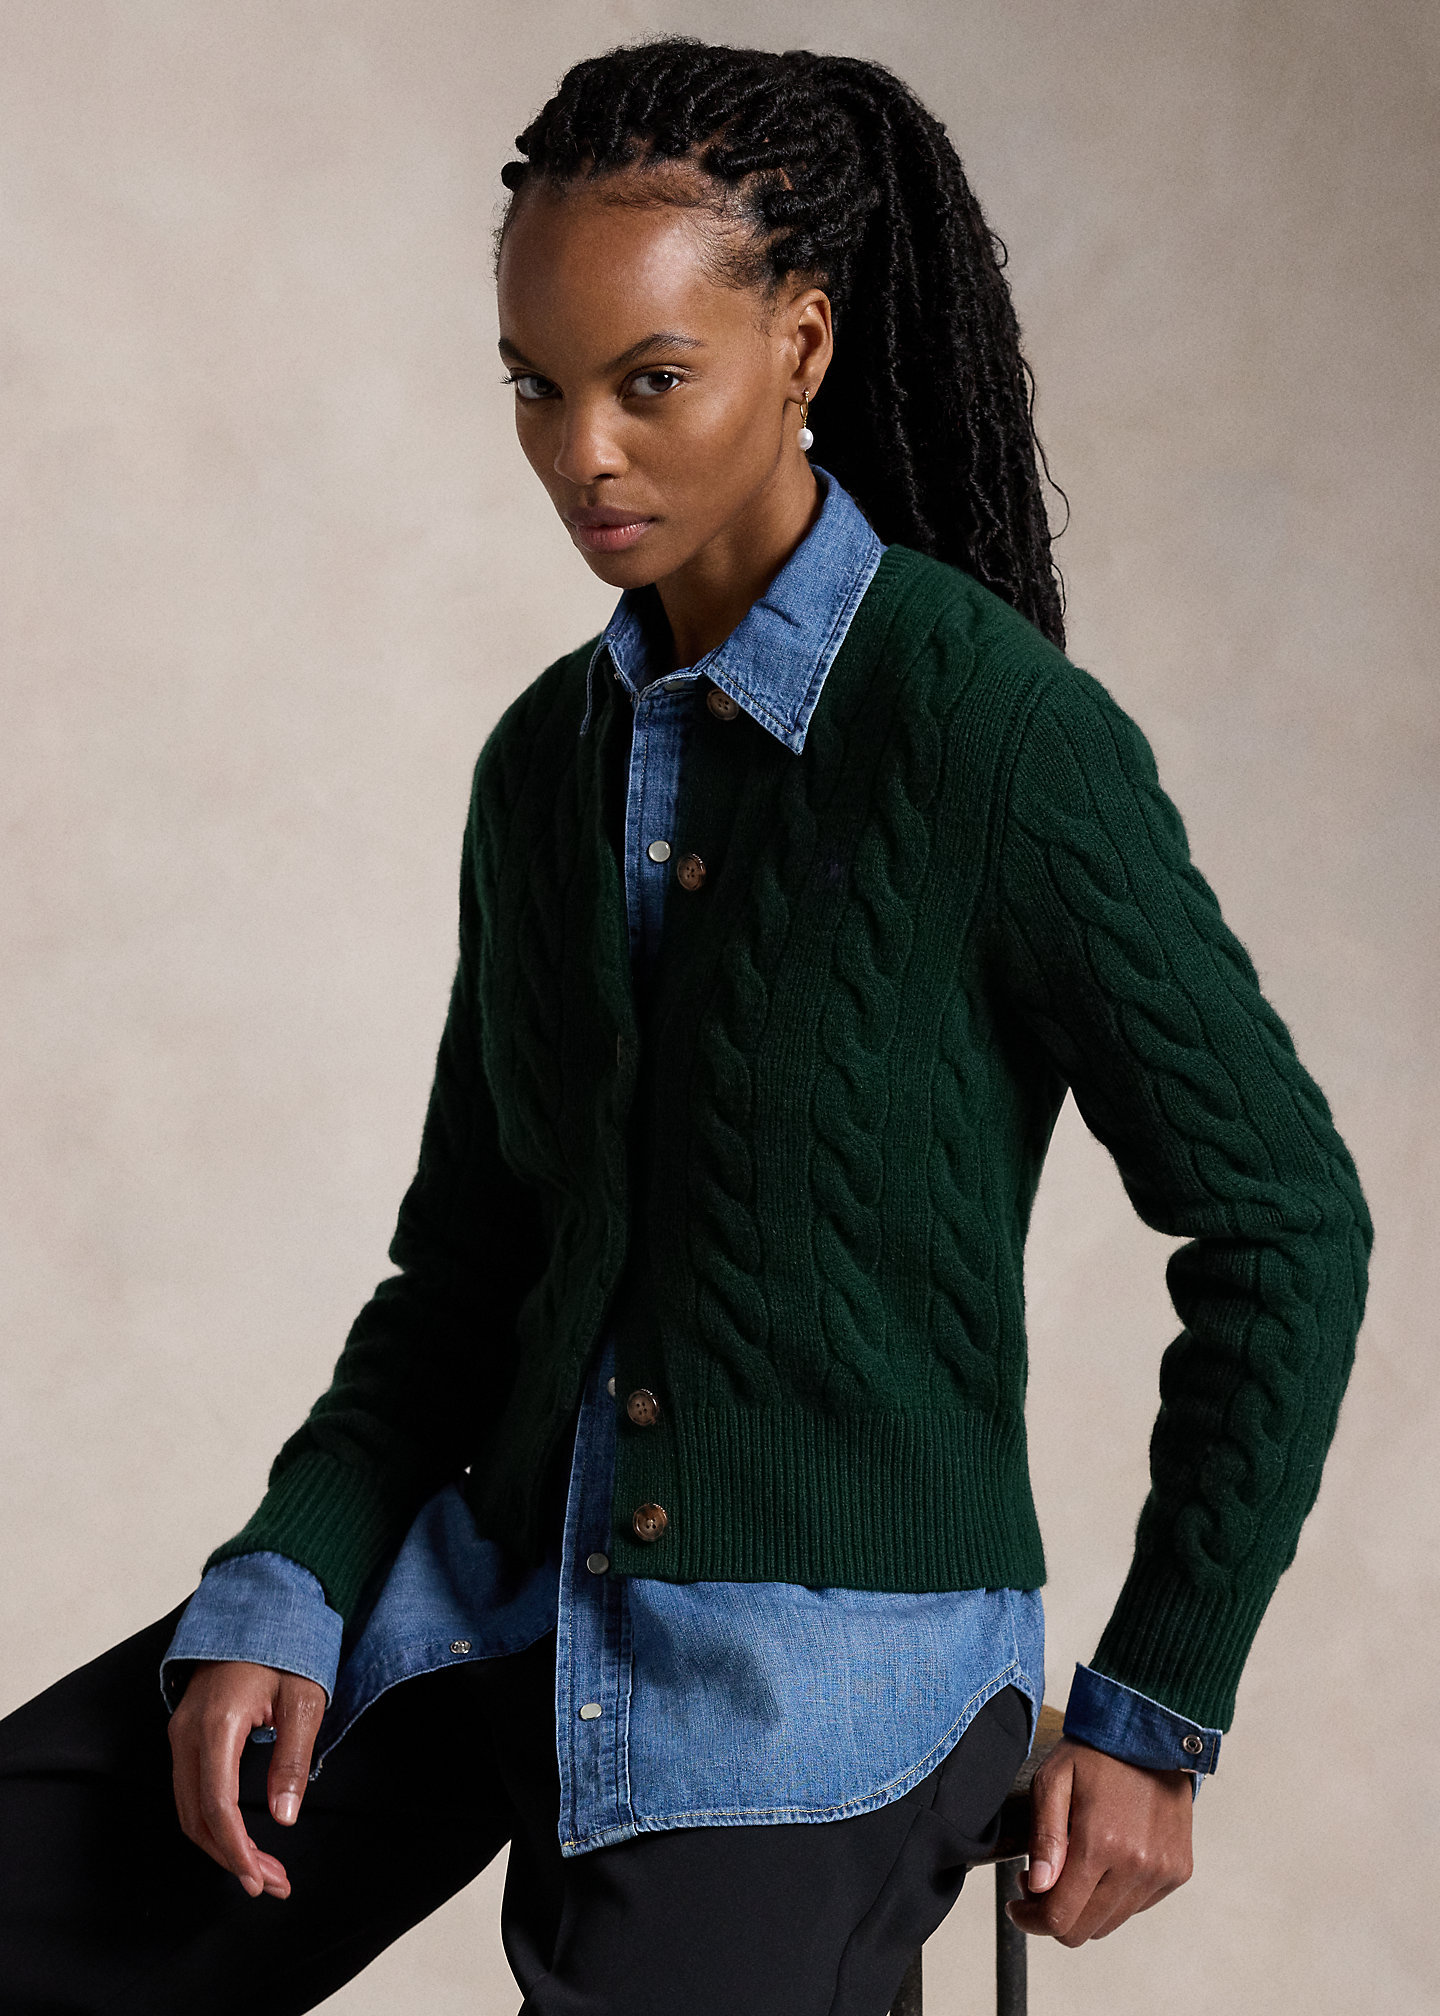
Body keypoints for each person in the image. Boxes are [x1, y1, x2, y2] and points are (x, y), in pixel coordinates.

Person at [0, 34, 1372, 2016]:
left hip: (820, 1672)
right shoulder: (539, 767)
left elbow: (1286, 1228)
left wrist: (1158, 1711)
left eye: (649, 382)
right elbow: (467, 1272)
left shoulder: (993, 740)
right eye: (535, 388)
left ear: (801, 342)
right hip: (497, 1590)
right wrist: (286, 1580)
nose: (584, 456)